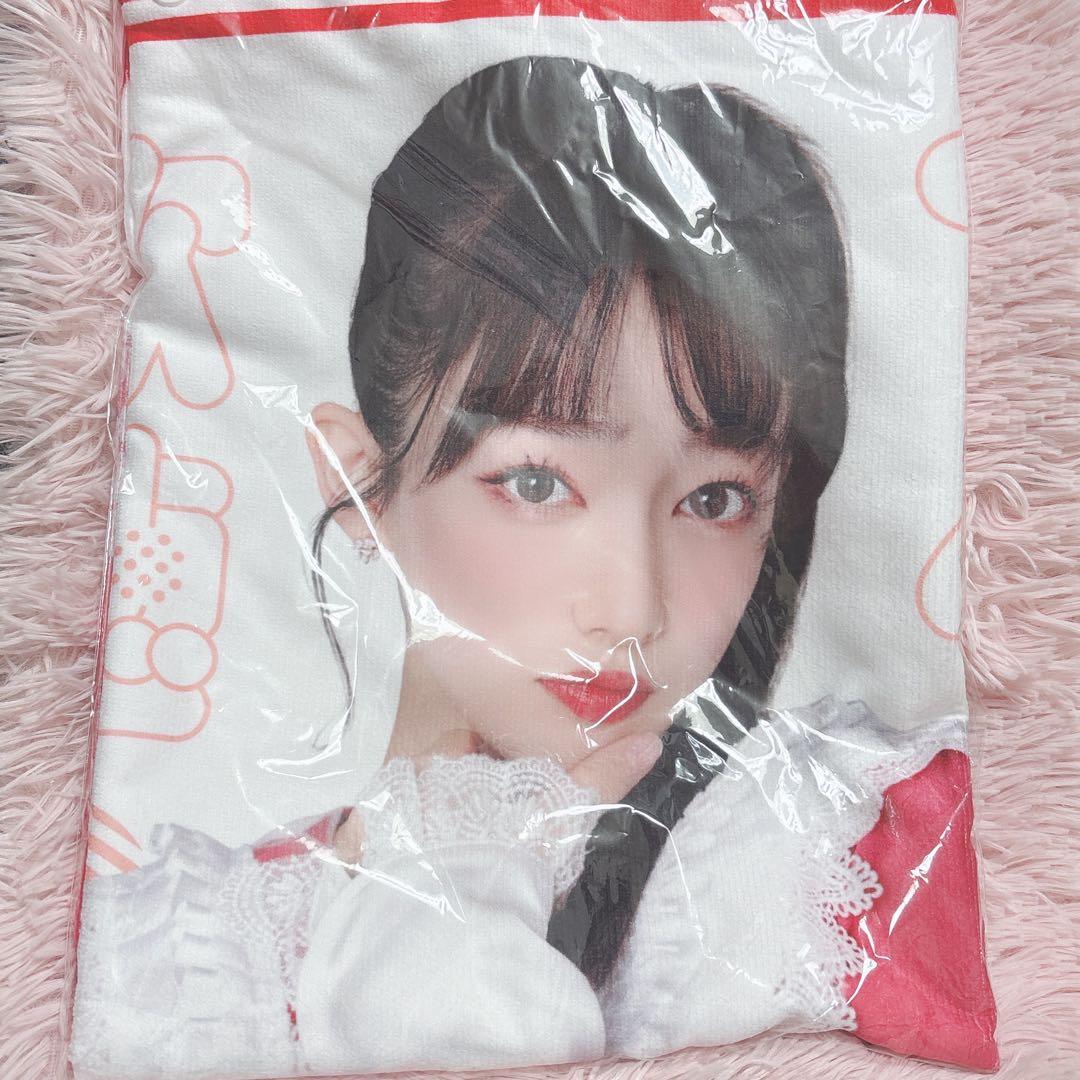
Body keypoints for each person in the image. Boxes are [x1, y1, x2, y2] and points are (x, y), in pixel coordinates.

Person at [72, 57, 990, 1078]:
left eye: (715, 500)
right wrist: (453, 863)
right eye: (539, 482)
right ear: (362, 480)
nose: (631, 608)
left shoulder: (859, 849)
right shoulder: (171, 962)